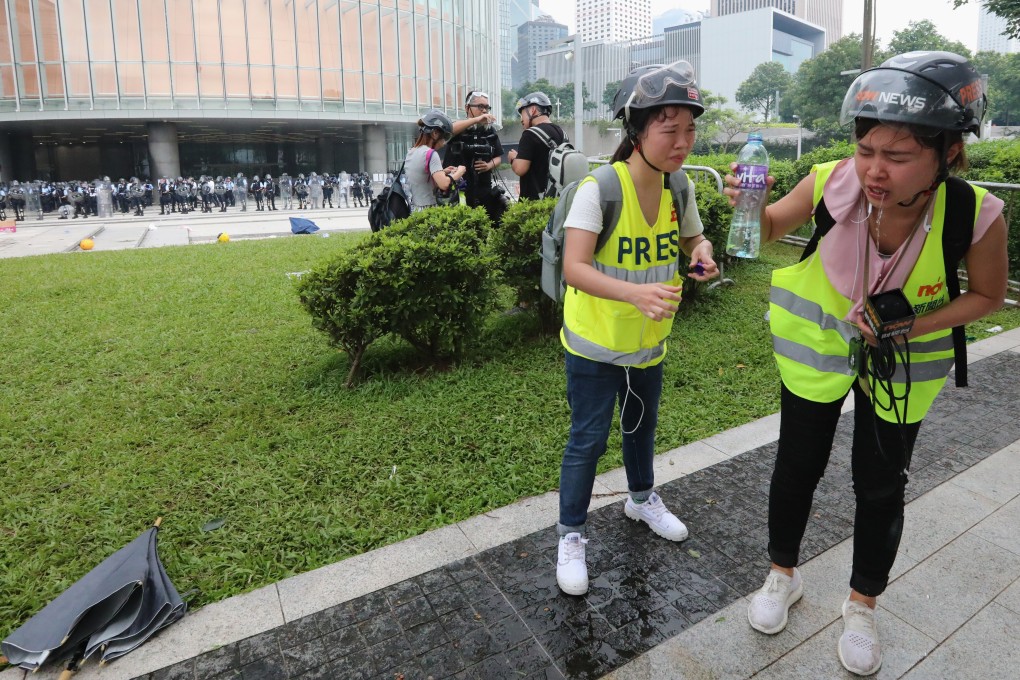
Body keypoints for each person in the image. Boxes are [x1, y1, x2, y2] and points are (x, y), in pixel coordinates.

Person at [725, 52, 1008, 676]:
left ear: (949, 153)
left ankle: (862, 606)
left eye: (898, 156)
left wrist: (909, 325)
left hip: (902, 367)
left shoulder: (975, 213)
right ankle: (782, 576)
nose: (875, 170)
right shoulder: (830, 181)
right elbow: (764, 230)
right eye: (866, 150)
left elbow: (988, 296)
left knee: (881, 484)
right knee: (796, 466)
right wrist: (748, 204)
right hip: (817, 353)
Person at [554, 61, 718, 597]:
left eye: (689, 129)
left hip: (648, 345)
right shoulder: (599, 188)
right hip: (595, 347)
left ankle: (641, 499)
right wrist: (635, 293)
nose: (683, 142)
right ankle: (571, 534)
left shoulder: (679, 187)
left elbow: (692, 238)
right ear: (637, 131)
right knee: (587, 439)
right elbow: (574, 267)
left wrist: (702, 252)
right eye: (670, 130)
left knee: (641, 429)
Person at [445, 90, 506, 224]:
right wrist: (476, 120)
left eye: (487, 107)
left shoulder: (489, 131)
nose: (484, 111)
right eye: (480, 106)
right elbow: (449, 130)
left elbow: (498, 158)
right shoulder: (459, 128)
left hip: (484, 189)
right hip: (459, 191)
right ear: (467, 108)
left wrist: (488, 166)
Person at [403, 109, 466, 212]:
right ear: (435, 133)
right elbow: (444, 184)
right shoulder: (431, 154)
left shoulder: (411, 152)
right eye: (445, 137)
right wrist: (459, 172)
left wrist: (442, 172)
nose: (444, 143)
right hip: (428, 209)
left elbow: (422, 177)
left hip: (415, 209)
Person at [508, 91, 565, 200]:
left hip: (534, 203)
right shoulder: (561, 133)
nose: (521, 119)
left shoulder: (530, 134)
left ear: (532, 110)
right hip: (556, 200)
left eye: (522, 113)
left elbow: (520, 169)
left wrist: (513, 158)